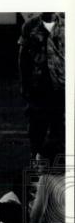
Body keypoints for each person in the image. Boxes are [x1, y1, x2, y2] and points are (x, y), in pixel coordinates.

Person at [18, 12, 65, 157]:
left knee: (60, 127)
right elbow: (23, 56)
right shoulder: (30, 26)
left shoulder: (67, 25)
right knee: (37, 127)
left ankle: (58, 164)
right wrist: (24, 83)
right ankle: (36, 159)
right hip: (38, 86)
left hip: (61, 85)